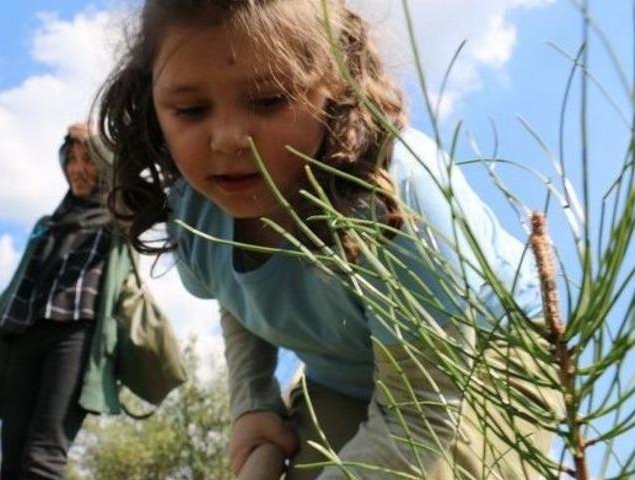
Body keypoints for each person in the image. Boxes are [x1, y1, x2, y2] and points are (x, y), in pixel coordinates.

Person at [96, 1, 563, 479]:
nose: (229, 139)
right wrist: (252, 405)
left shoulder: (393, 198)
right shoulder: (193, 212)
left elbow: (426, 413)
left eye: (269, 100)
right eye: (191, 110)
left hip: (482, 362)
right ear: (151, 101)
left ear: (338, 84)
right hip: (345, 371)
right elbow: (234, 298)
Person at [0, 123, 134, 479]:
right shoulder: (46, 225)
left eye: (89, 160)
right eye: (72, 160)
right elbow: (15, 287)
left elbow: (134, 177)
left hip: (75, 339)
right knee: (13, 460)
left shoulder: (119, 220)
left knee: (44, 456)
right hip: (24, 335)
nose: (79, 169)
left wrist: (96, 138)